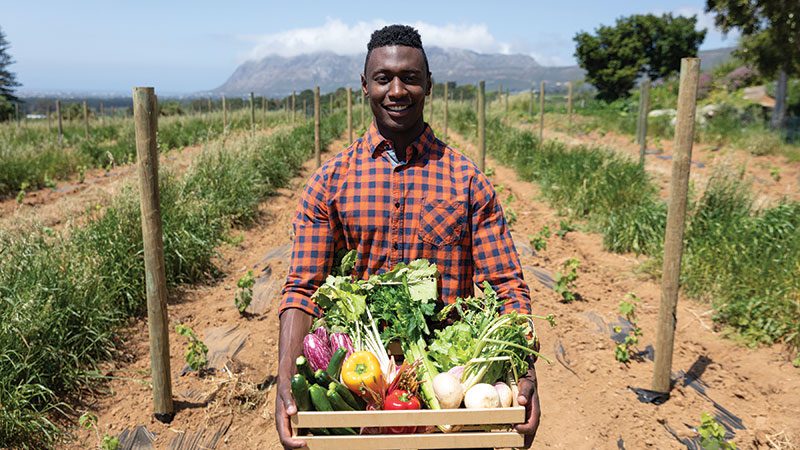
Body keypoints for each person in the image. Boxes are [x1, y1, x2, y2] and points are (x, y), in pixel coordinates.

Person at [274, 24, 540, 449]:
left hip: (449, 394)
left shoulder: (467, 181)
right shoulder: (330, 183)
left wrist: (526, 376)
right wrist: (285, 378)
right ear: (365, 86)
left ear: (428, 85)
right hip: (354, 389)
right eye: (384, 78)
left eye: (410, 78)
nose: (397, 90)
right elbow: (302, 288)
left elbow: (506, 285)